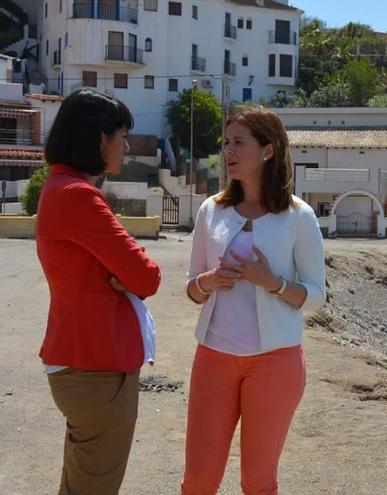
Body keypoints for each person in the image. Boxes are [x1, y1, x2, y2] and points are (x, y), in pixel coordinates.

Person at [181, 107, 325, 494]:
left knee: (259, 482)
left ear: (268, 150)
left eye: (238, 142)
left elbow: (316, 296)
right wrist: (208, 282)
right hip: (213, 357)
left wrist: (273, 283)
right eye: (226, 142)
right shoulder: (211, 210)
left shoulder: (299, 216)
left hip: (275, 363)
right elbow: (191, 288)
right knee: (197, 481)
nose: (228, 150)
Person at [36, 88, 162, 494]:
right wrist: (126, 276)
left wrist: (123, 273)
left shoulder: (62, 189)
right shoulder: (79, 196)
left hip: (82, 363)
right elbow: (147, 277)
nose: (125, 146)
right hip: (96, 367)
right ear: (98, 139)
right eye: (121, 136)